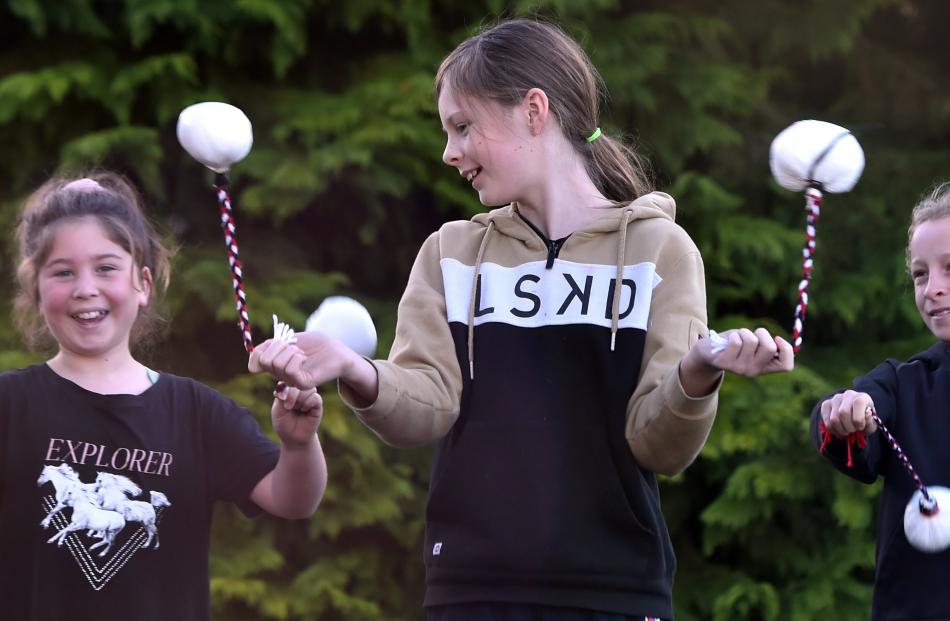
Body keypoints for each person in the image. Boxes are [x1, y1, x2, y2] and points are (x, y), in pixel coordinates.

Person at [251, 18, 792, 621]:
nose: (448, 152)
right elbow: (427, 403)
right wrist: (355, 369)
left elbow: (656, 443)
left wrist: (695, 373)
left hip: (613, 592)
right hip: (470, 589)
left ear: (534, 110)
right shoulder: (450, 252)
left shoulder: (660, 250)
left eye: (462, 127)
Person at [0, 172, 327, 620]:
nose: (85, 288)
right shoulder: (9, 404)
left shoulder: (198, 412)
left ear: (144, 285)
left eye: (106, 267)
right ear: (37, 290)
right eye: (62, 272)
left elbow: (294, 500)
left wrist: (299, 443)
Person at [811, 183, 950, 621]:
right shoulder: (902, 385)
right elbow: (852, 409)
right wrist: (845, 411)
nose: (933, 290)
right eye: (920, 274)